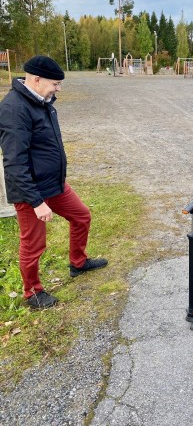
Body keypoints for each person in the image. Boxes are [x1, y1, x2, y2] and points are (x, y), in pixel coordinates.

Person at [0, 55, 108, 309]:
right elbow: (14, 163)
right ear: (36, 80)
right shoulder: (14, 108)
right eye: (55, 84)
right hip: (31, 192)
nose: (58, 89)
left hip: (54, 184)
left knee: (82, 216)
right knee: (34, 244)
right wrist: (37, 202)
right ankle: (33, 293)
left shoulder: (42, 100)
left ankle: (78, 263)